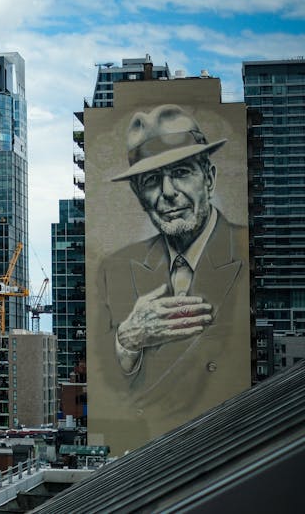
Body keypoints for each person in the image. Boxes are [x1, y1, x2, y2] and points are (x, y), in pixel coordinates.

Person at [93, 104, 248, 437]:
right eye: (151, 180)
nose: (167, 193)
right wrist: (127, 340)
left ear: (209, 178)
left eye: (180, 172)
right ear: (139, 195)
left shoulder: (248, 250)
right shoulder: (114, 269)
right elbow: (104, 378)